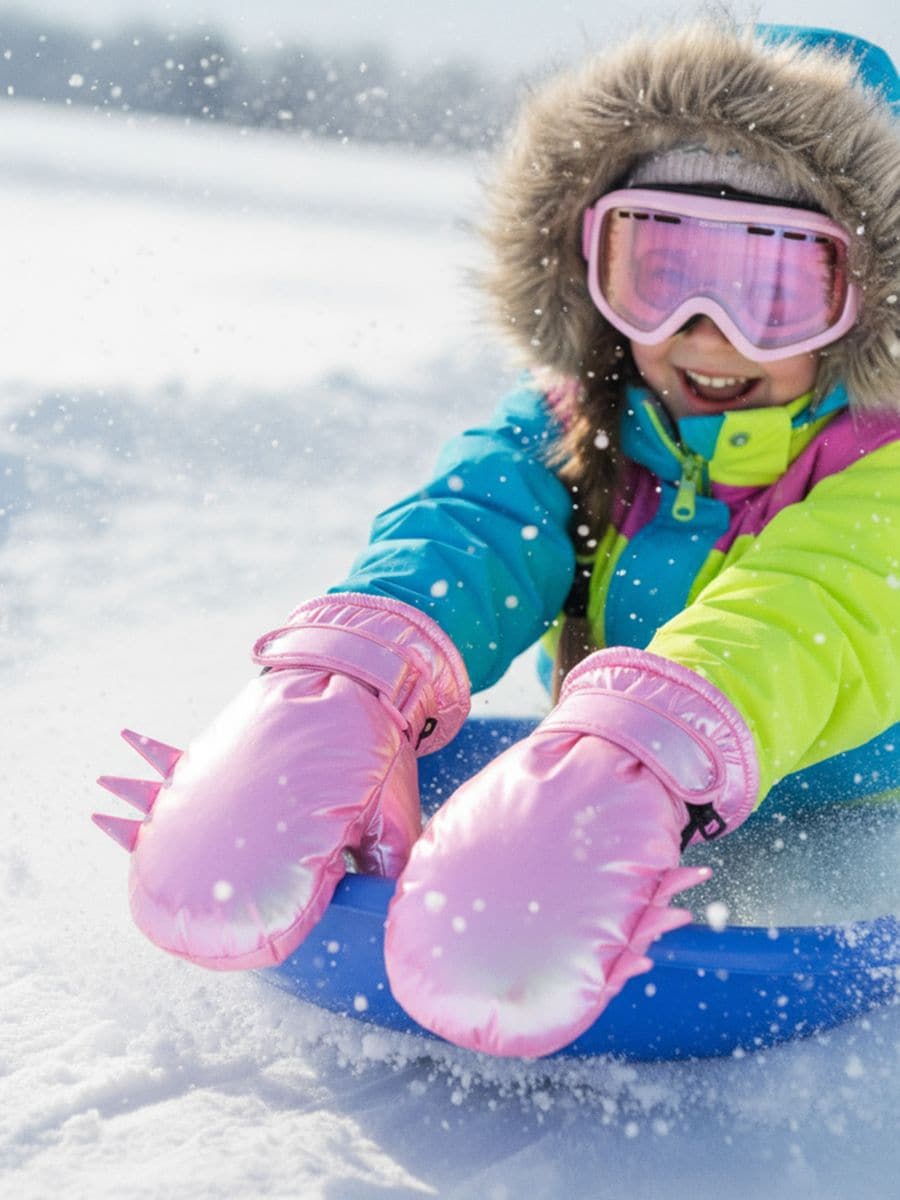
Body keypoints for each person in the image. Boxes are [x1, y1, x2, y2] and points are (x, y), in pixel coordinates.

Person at [95, 19, 900, 1058]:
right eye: (661, 273)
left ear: (869, 307)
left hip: (861, 813)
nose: (709, 332)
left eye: (776, 292)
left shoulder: (883, 463)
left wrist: (655, 748)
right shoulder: (579, 417)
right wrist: (356, 675)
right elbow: (470, 527)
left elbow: (820, 604)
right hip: (616, 791)